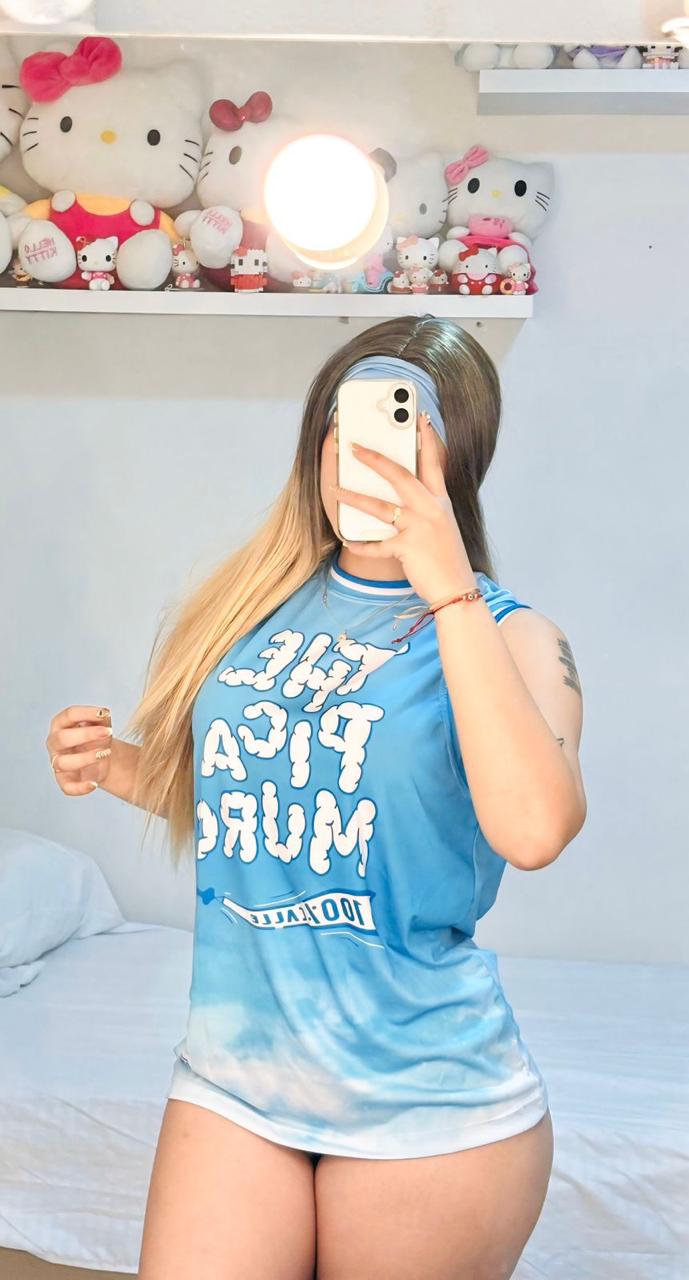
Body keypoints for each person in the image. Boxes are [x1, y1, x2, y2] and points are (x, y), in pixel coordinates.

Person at [46, 316, 587, 1280]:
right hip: (233, 1080)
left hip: (427, 1104)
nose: (358, 454)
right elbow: (261, 798)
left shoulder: (512, 636)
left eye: (396, 425)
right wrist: (112, 766)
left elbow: (535, 828)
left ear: (452, 456)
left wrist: (448, 590)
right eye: (343, 422)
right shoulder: (252, 603)